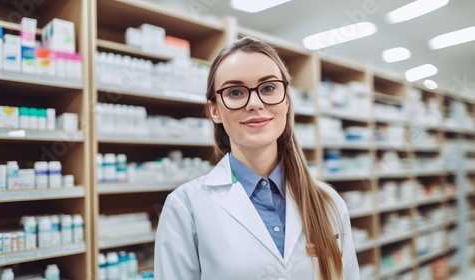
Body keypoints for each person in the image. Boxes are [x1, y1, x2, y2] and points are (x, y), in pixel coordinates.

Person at [154, 37, 360, 280]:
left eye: (268, 88)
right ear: (215, 110)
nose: (254, 103)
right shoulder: (185, 206)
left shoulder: (329, 203)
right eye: (235, 92)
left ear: (286, 100)